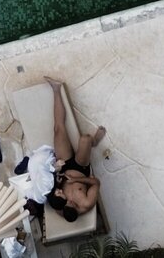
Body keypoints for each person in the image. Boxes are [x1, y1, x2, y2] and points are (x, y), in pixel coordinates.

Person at [43, 78, 105, 220]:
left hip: (63, 166)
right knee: (85, 139)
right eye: (72, 203)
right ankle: (94, 141)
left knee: (58, 129)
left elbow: (51, 194)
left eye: (67, 203)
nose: (69, 201)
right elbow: (97, 183)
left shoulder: (61, 208)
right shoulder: (86, 203)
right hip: (80, 169)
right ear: (77, 209)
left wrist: (58, 177)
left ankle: (56, 89)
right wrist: (80, 180)